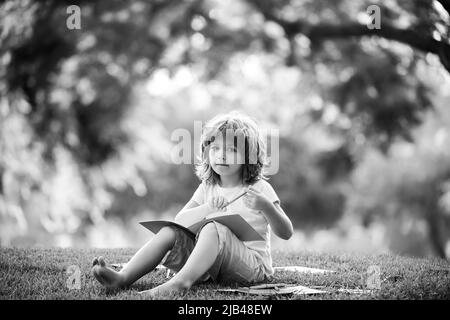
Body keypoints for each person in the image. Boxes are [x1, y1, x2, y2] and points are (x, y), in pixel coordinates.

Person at [91, 111, 293, 296]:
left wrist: (266, 206)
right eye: (215, 148)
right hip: (213, 265)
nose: (221, 155)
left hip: (253, 268)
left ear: (249, 156)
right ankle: (123, 277)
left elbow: (286, 232)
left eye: (231, 149)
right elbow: (181, 220)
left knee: (215, 228)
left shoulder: (259, 188)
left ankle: (179, 283)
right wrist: (208, 208)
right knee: (170, 231)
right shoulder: (209, 186)